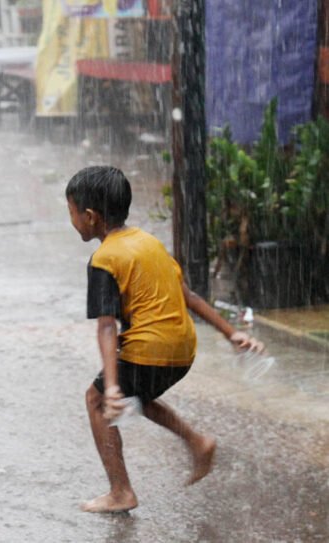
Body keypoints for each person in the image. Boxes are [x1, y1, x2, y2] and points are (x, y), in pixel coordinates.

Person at [65, 166, 264, 513]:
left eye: (71, 212)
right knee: (138, 393)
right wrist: (231, 332)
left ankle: (120, 492)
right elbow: (188, 294)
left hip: (150, 347)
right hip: (182, 348)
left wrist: (110, 385)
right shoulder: (148, 242)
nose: (72, 220)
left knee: (97, 400)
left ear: (91, 216)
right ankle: (198, 442)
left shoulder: (105, 259)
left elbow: (108, 326)